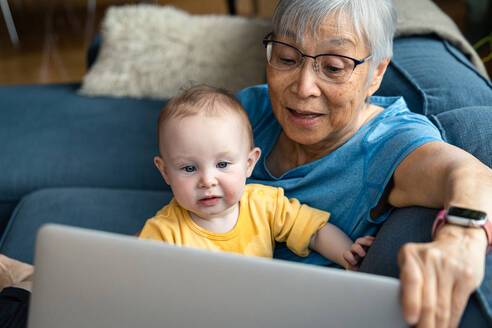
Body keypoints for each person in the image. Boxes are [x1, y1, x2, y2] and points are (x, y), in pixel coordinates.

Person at [1, 0, 492, 327]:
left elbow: (470, 173)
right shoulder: (256, 107)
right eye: (286, 57)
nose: (303, 87)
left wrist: (462, 238)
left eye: (334, 67)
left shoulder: (389, 143)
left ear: (376, 74)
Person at [139, 84, 373, 270]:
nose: (208, 180)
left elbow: (316, 232)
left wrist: (347, 255)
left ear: (249, 163)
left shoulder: (264, 205)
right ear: (165, 172)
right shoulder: (163, 233)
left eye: (222, 164)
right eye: (189, 168)